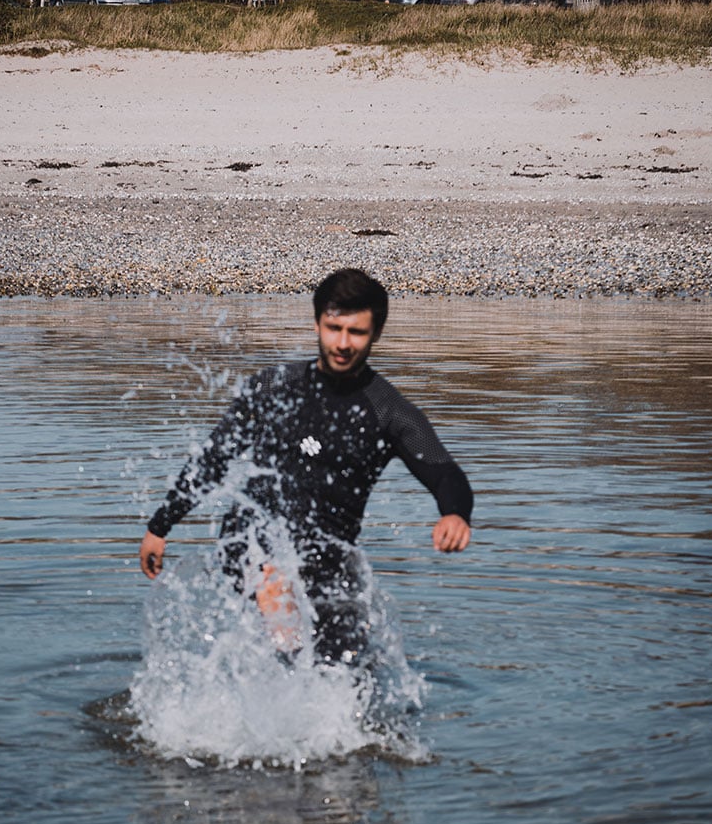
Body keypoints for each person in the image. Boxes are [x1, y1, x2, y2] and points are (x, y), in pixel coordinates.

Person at [139, 268, 473, 662]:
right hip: (255, 541)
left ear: (376, 334)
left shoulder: (388, 411)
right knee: (288, 637)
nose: (343, 343)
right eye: (334, 328)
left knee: (349, 671)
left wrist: (454, 512)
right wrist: (160, 525)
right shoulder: (274, 388)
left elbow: (444, 471)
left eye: (357, 332)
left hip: (328, 557)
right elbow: (215, 458)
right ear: (317, 323)